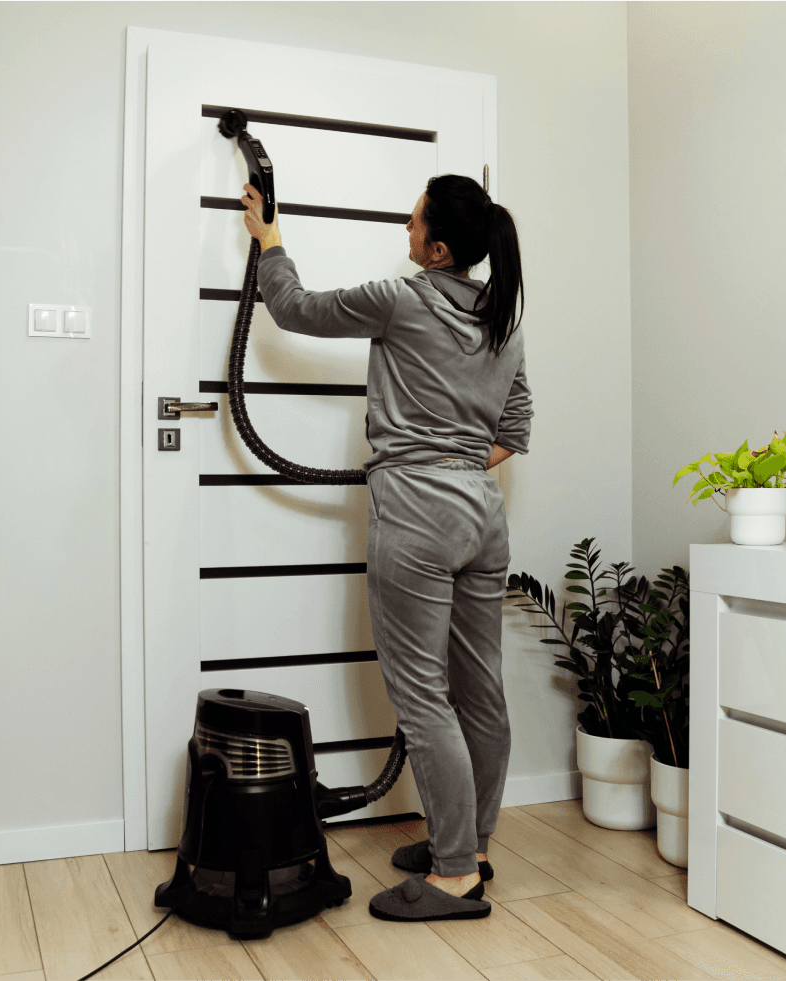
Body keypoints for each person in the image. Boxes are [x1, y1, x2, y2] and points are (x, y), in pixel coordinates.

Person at [241, 174, 532, 922]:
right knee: (479, 690)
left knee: (422, 694)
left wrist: (270, 242)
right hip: (480, 511)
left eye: (412, 224)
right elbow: (515, 429)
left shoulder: (404, 297)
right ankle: (472, 842)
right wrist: (455, 463)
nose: (404, 232)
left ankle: (455, 873)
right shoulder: (501, 319)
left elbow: (294, 308)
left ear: (437, 248)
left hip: (416, 511)